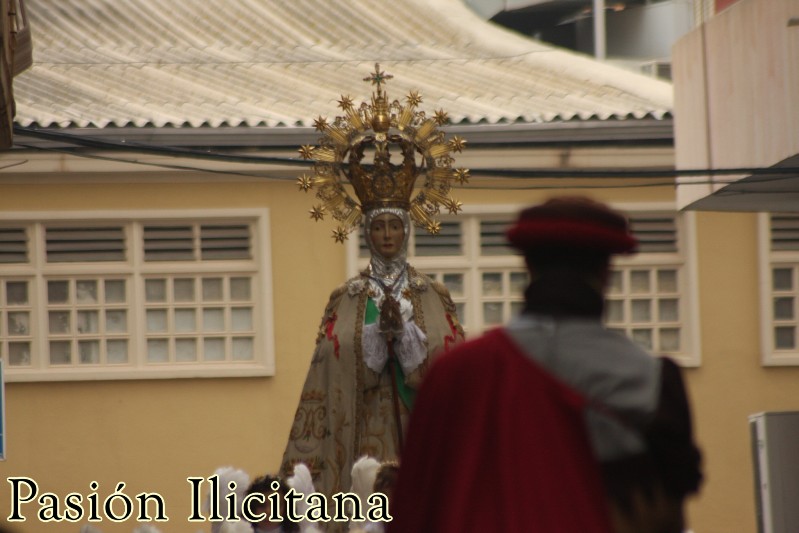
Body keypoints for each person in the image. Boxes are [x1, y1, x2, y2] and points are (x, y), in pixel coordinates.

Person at [389, 197, 702, 533]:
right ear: (606, 270)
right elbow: (666, 513)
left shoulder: (456, 373)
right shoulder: (651, 381)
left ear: (527, 265)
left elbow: (414, 508)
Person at [281, 64, 465, 510]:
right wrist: (372, 345)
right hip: (360, 432)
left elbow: (451, 366)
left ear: (407, 230)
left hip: (417, 430)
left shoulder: (431, 295)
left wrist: (406, 342)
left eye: (394, 226)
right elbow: (329, 367)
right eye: (378, 226)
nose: (386, 235)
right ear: (366, 230)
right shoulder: (345, 298)